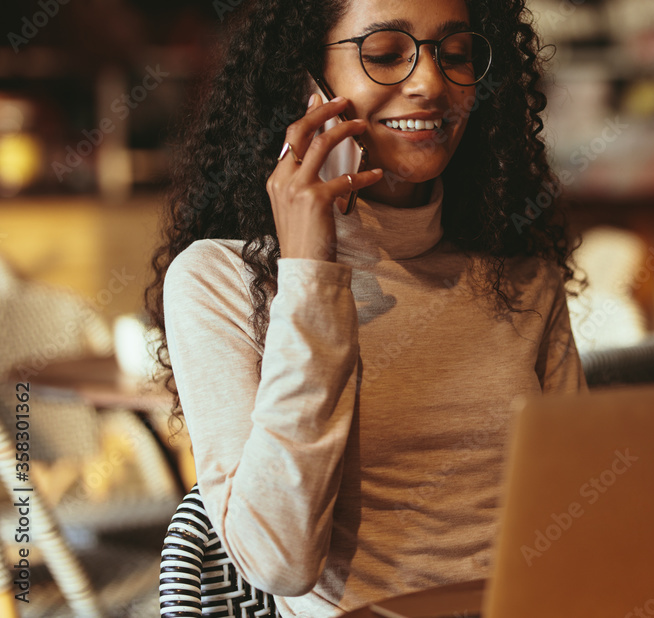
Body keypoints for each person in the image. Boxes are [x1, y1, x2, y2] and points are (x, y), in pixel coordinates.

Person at [145, 0, 587, 614]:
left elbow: (580, 528)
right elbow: (279, 561)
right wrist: (311, 274)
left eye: (455, 55)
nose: (431, 83)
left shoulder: (521, 279)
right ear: (304, 82)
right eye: (384, 55)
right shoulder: (223, 280)